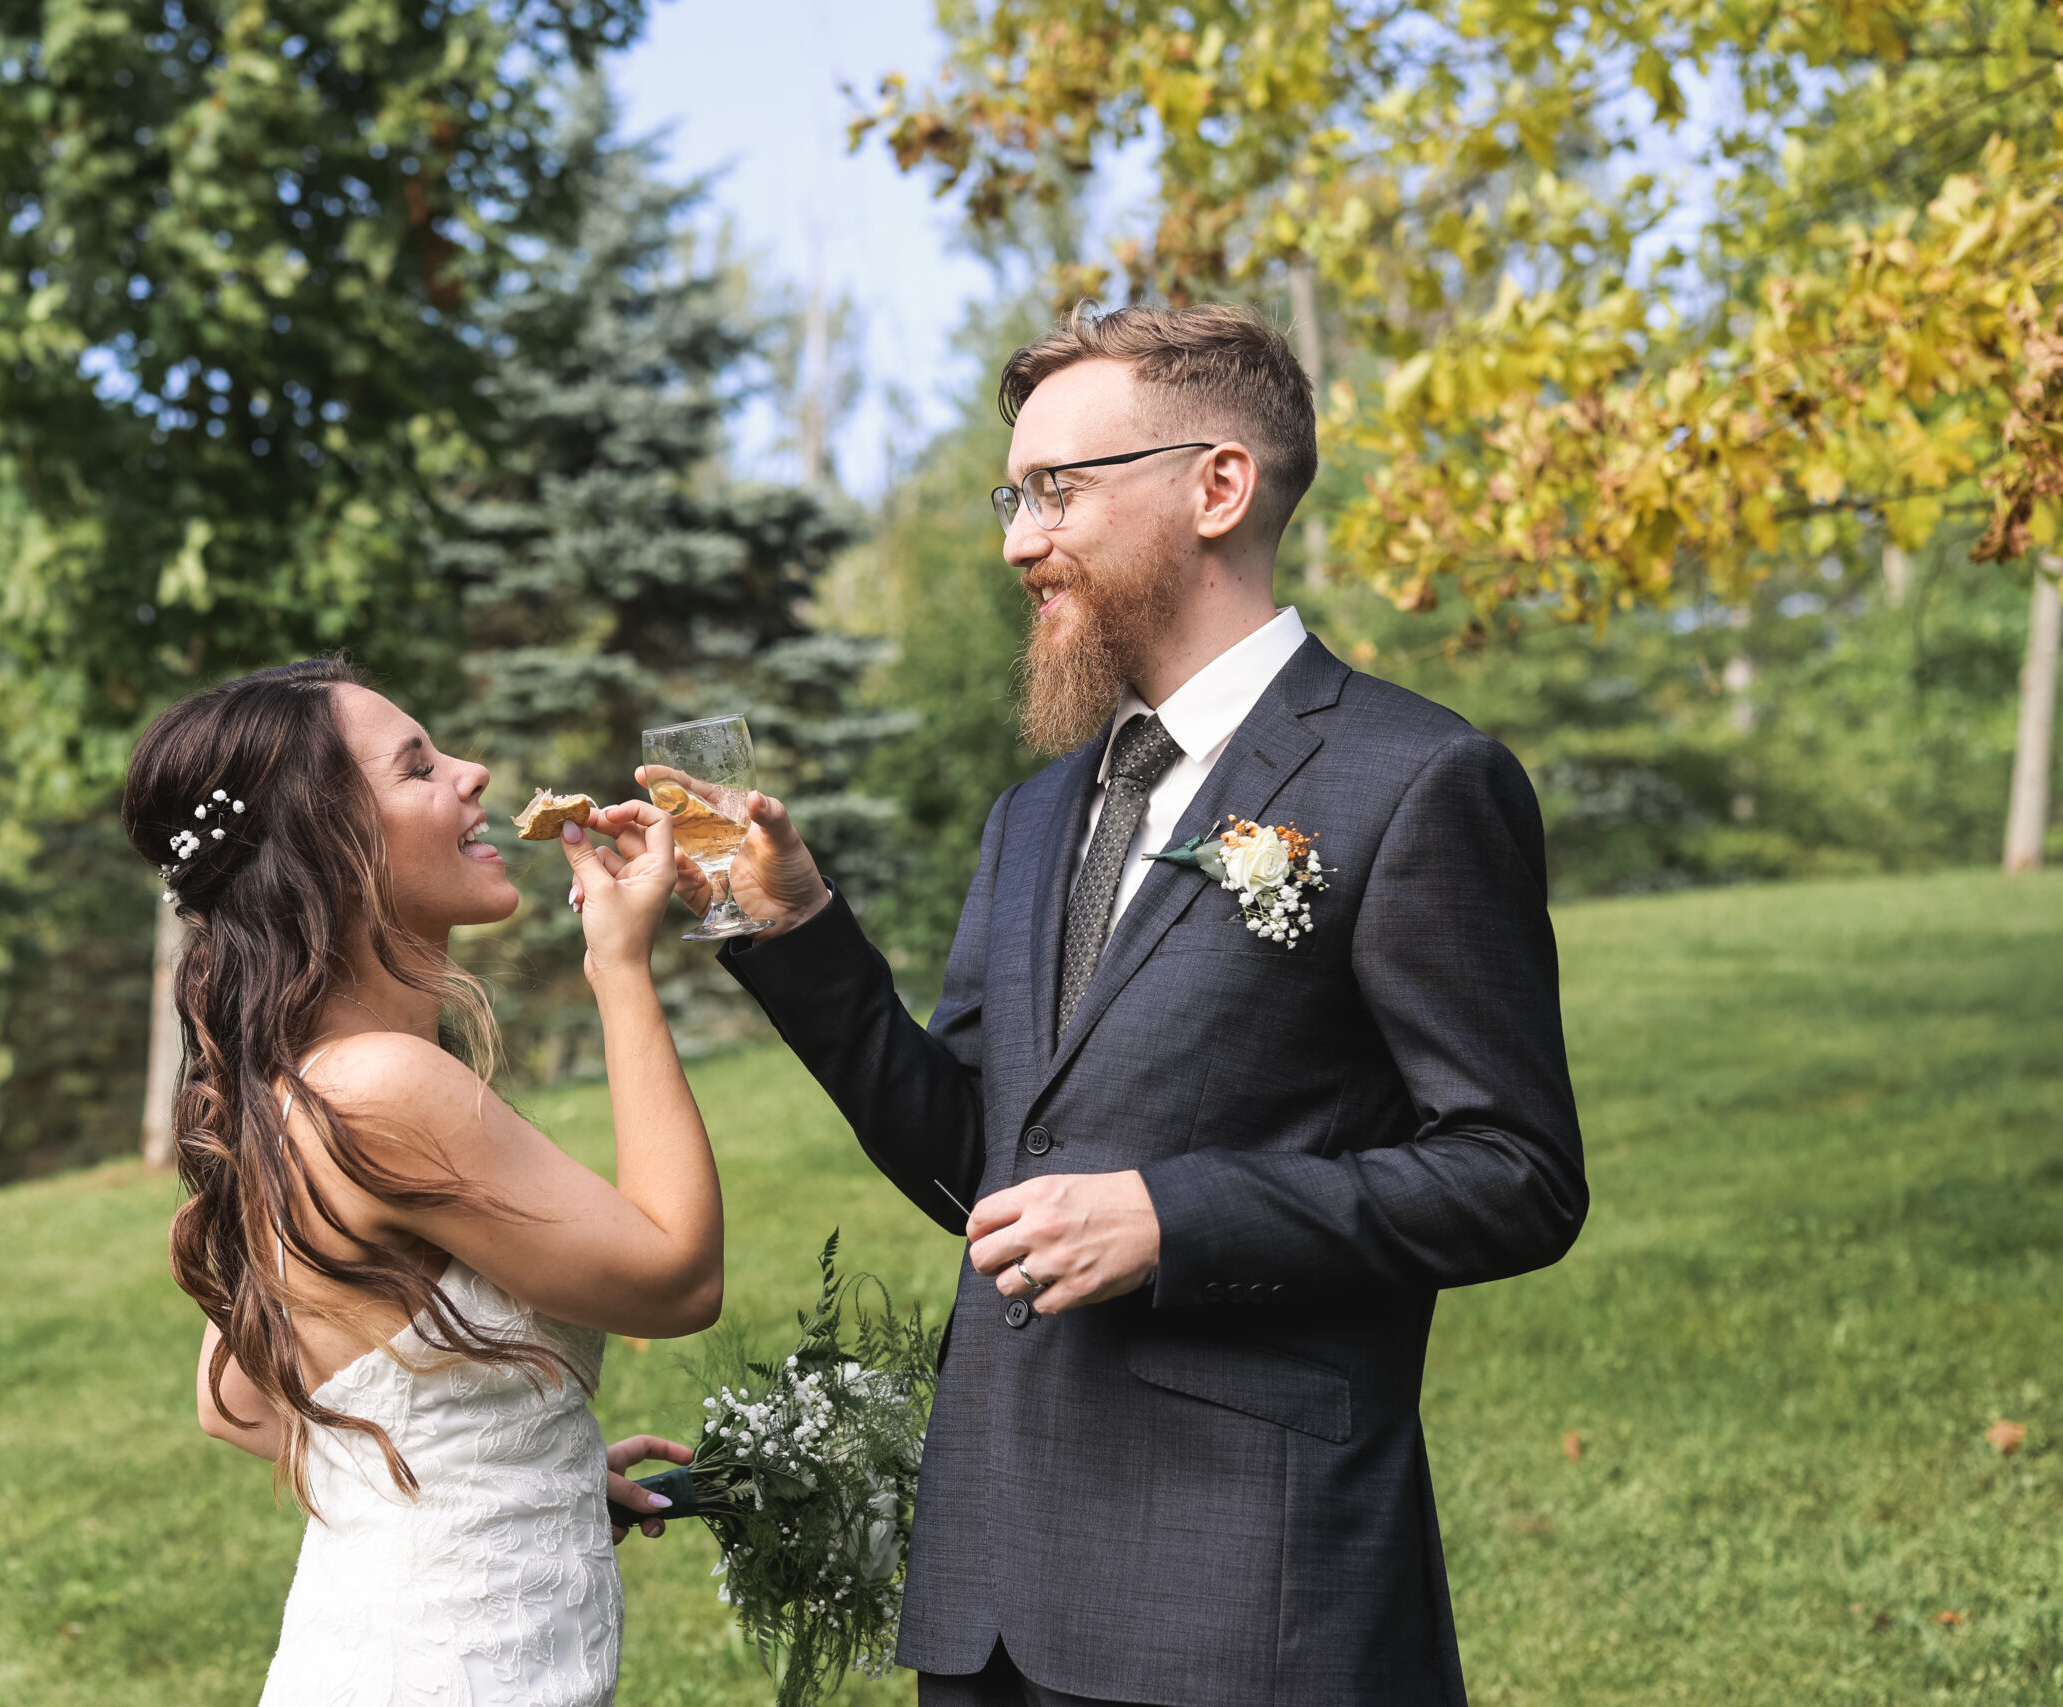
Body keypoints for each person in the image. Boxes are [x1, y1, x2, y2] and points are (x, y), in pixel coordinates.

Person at [585, 303, 1587, 1705]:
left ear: (1217, 487)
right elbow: (986, 1165)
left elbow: (1517, 1175)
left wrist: (1176, 1214)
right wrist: (793, 926)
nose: (1017, 539)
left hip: (1250, 1598)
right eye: (1016, 493)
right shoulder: (1037, 812)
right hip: (994, 1592)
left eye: (1059, 489)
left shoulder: (1415, 779)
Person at [123, 657, 716, 1707]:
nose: (475, 772)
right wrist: (620, 967)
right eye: (418, 767)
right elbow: (676, 1281)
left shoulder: (292, 1088)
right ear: (327, 850)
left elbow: (232, 1402)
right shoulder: (385, 1090)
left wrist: (514, 1470)